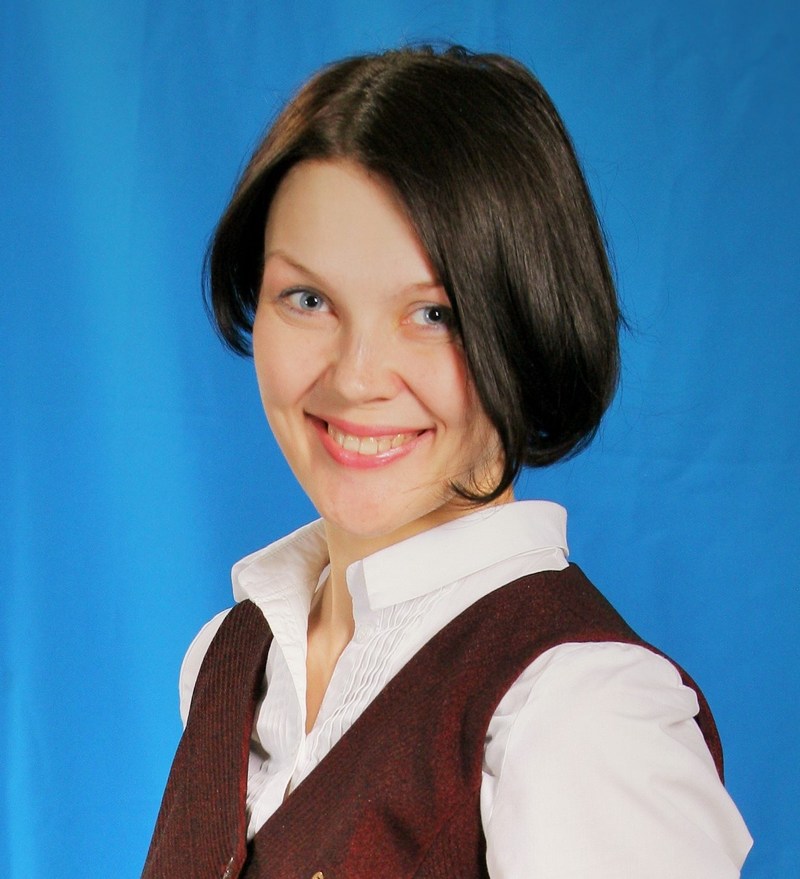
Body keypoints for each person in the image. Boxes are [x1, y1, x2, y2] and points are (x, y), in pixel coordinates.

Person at [142, 45, 752, 878]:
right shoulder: (228, 659)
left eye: (432, 313)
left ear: (528, 323)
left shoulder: (577, 714)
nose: (356, 378)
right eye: (308, 299)